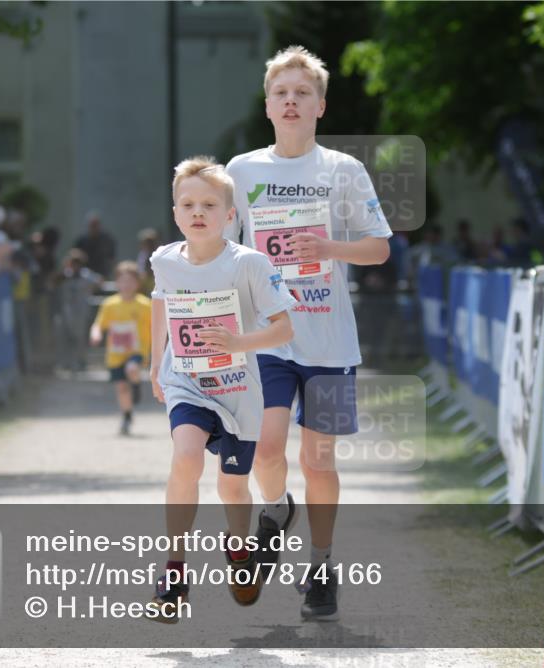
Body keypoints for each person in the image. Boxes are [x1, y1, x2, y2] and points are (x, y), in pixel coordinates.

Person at [224, 45, 392, 621]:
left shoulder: (343, 170)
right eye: (281, 93)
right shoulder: (241, 171)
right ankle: (277, 509)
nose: (291, 101)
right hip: (269, 340)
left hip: (329, 342)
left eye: (302, 93)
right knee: (266, 450)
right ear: (267, 106)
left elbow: (379, 248)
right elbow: (220, 247)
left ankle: (321, 566)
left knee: (319, 460)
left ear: (320, 105)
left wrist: (327, 248)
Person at [145, 156, 296, 621]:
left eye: (210, 204)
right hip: (187, 381)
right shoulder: (164, 260)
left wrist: (237, 342)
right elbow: (160, 305)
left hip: (237, 389)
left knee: (232, 488)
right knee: (186, 458)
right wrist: (156, 366)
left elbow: (284, 329)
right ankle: (173, 573)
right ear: (175, 213)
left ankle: (238, 554)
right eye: (188, 204)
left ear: (230, 215)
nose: (198, 212)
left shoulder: (249, 263)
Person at [89, 261, 152, 436]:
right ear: (117, 283)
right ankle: (127, 415)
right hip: (115, 354)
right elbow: (98, 324)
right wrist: (96, 334)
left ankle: (137, 384)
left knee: (131, 368)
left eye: (130, 281)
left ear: (137, 284)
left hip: (137, 351)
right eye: (123, 281)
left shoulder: (146, 305)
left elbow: (158, 326)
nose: (126, 285)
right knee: (122, 388)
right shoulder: (109, 304)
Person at [56, 249, 101, 373]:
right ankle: (67, 362)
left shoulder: (86, 275)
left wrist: (89, 290)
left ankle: (80, 362)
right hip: (67, 310)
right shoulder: (65, 275)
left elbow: (99, 281)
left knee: (80, 337)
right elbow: (53, 282)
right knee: (66, 337)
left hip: (81, 311)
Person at [73, 211, 116, 277]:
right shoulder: (82, 240)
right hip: (84, 274)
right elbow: (74, 253)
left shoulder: (107, 240)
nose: (94, 227)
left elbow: (112, 258)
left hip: (102, 274)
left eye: (95, 224)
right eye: (92, 225)